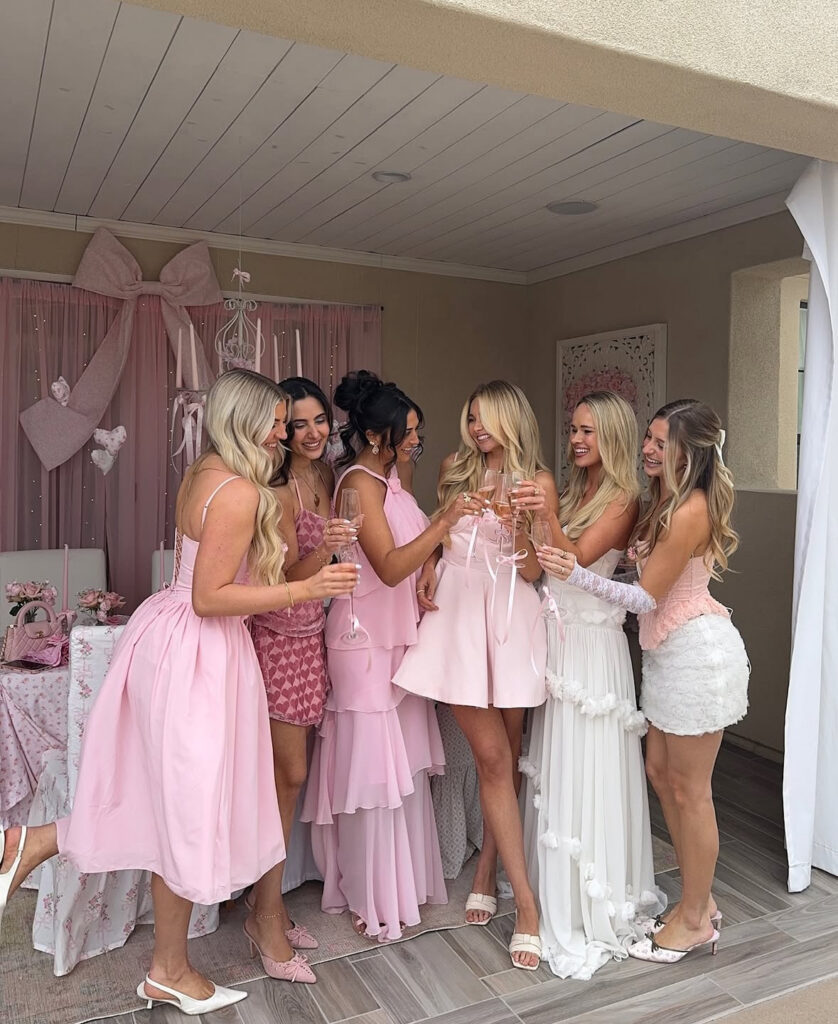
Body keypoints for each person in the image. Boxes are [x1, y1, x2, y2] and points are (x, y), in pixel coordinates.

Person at [0, 370, 359, 1011]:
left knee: (173, 805)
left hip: (166, 634)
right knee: (187, 808)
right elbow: (211, 597)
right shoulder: (242, 491)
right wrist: (306, 589)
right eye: (276, 420)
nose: (284, 431)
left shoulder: (205, 473)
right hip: (200, 648)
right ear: (244, 419)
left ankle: (164, 962)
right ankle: (52, 845)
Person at [541, 399, 749, 964]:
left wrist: (577, 573)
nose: (649, 449)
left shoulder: (690, 511)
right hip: (665, 657)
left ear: (689, 449)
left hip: (697, 658)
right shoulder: (667, 502)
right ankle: (695, 904)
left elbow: (642, 597)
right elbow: (645, 579)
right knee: (661, 774)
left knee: (692, 792)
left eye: (660, 442)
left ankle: (695, 918)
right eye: (649, 439)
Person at [301, 370, 468, 942]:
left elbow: (414, 550)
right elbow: (389, 564)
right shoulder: (357, 485)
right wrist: (444, 522)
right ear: (378, 436)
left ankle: (401, 886)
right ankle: (371, 894)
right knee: (372, 779)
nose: (416, 441)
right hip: (361, 645)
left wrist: (430, 560)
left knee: (401, 775)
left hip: (396, 642)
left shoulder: (392, 480)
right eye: (409, 432)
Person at [393, 379, 552, 970]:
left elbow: (535, 568)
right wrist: (432, 563)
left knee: (508, 750)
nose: (477, 427)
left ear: (512, 419)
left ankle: (487, 867)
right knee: (490, 756)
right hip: (458, 620)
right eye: (472, 416)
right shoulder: (456, 467)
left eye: (487, 418)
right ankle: (528, 908)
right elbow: (438, 534)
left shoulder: (538, 483)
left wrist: (519, 524)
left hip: (511, 620)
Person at [520, 391, 664, 979]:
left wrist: (542, 509)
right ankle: (551, 889)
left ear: (614, 437)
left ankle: (591, 900)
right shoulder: (580, 491)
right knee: (559, 767)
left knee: (592, 768)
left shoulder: (625, 498)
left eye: (589, 432)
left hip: (596, 652)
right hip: (562, 641)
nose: (577, 440)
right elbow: (539, 565)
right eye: (574, 429)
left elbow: (572, 555)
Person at [248, 377, 356, 952]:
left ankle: (266, 904)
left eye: (321, 422)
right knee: (284, 777)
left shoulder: (326, 476)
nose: (313, 433)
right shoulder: (281, 489)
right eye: (299, 424)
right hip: (278, 641)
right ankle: (264, 915)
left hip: (314, 635)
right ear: (282, 432)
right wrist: (330, 548)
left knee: (291, 776)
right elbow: (285, 579)